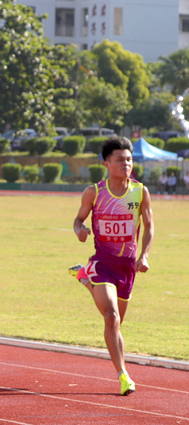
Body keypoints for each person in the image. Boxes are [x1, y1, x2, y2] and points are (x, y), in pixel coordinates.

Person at [68, 136, 153, 395]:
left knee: (116, 325)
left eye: (129, 160)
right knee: (111, 317)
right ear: (107, 163)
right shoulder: (94, 192)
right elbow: (77, 220)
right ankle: (123, 375)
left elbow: (149, 226)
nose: (126, 164)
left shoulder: (140, 192)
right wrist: (80, 230)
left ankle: (83, 278)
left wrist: (145, 256)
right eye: (120, 160)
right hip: (103, 264)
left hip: (127, 268)